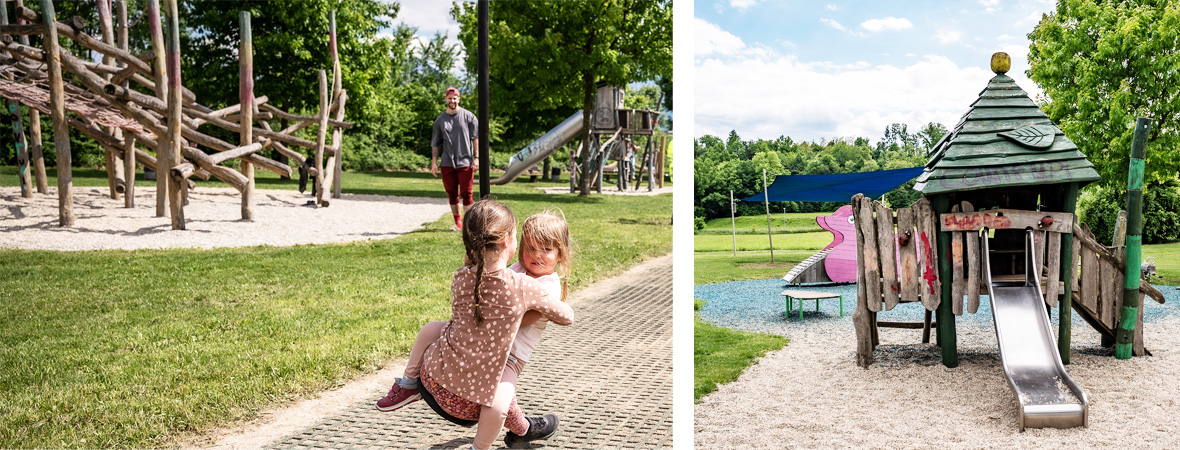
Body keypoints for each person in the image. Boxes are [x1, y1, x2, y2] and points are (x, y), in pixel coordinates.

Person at [376, 201, 574, 449]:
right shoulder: (513, 271)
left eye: (545, 249)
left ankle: (482, 445)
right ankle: (408, 383)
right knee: (430, 329)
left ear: (560, 254)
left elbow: (539, 318)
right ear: (512, 244)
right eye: (530, 247)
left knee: (500, 403)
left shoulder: (542, 286)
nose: (536, 255)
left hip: (509, 355)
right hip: (477, 341)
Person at [431, 87, 479, 231]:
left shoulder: (469, 117)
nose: (452, 100)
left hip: (465, 161)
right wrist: (434, 163)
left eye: (455, 98)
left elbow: (475, 138)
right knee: (452, 193)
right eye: (449, 98)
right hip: (447, 163)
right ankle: (458, 223)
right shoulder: (440, 120)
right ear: (446, 99)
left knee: (467, 193)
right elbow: (435, 143)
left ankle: (468, 225)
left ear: (459, 99)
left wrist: (476, 158)